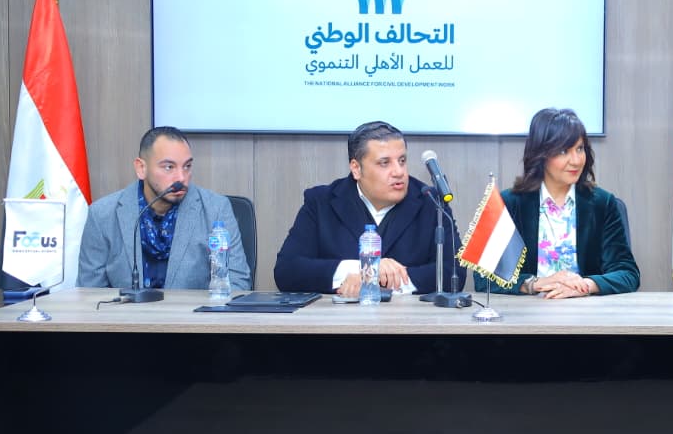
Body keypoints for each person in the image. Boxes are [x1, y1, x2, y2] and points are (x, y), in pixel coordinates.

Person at [274, 120, 462, 297]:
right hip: (339, 318)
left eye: (402, 160)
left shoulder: (431, 201)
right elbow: (287, 271)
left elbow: (454, 273)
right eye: (384, 163)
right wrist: (359, 269)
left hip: (409, 318)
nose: (399, 172)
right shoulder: (321, 202)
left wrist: (377, 278)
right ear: (356, 169)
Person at [477, 108, 639, 298]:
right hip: (527, 310)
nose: (576, 160)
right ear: (541, 154)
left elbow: (628, 273)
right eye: (563, 151)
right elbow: (483, 277)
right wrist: (533, 284)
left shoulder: (603, 204)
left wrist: (585, 285)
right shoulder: (509, 204)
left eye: (580, 149)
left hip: (586, 310)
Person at [78, 126, 251, 291]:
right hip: (126, 313)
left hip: (192, 313)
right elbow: (89, 292)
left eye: (187, 166)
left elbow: (238, 283)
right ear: (141, 168)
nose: (181, 178)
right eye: (169, 167)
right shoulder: (102, 215)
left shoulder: (216, 209)